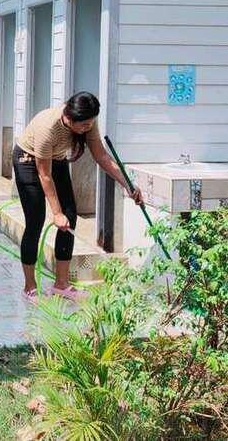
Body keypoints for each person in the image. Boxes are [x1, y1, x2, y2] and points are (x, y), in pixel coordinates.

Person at [14, 92, 143, 303]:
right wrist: (56, 213)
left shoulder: (87, 121)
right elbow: (44, 175)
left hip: (56, 158)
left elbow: (101, 156)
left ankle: (61, 284)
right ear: (69, 118)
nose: (87, 127)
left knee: (70, 216)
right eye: (84, 125)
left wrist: (127, 184)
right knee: (36, 220)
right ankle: (30, 287)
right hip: (27, 159)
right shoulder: (48, 127)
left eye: (90, 123)